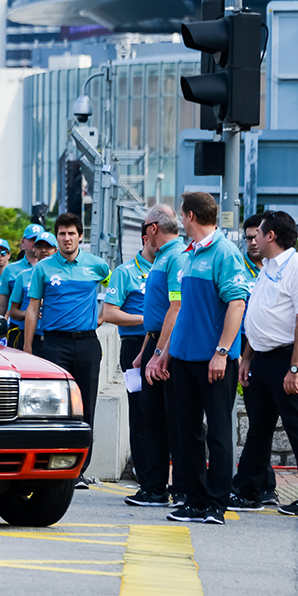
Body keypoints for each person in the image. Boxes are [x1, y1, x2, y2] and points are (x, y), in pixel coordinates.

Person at [145, 193, 249, 524]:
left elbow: (237, 304)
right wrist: (163, 354)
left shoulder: (225, 253)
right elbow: (181, 311)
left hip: (213, 361)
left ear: (190, 216)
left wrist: (221, 352)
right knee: (185, 431)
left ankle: (216, 503)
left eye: (181, 214)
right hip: (184, 359)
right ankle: (192, 497)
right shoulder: (187, 255)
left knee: (218, 432)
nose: (179, 220)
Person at [234, 210, 298, 517]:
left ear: (271, 236)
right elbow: (258, 315)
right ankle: (249, 491)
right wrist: (247, 356)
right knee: (258, 428)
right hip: (261, 357)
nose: (253, 238)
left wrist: (296, 368)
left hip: (288, 358)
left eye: (257, 233)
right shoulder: (268, 267)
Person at [23, 212, 110, 488]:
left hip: (87, 344)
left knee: (86, 407)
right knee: (52, 407)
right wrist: (27, 348)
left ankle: (79, 469)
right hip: (54, 344)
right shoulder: (44, 268)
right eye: (62, 233)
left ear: (80, 236)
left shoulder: (97, 266)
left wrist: (103, 314)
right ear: (57, 237)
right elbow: (33, 309)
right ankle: (50, 466)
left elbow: (114, 290)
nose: (67, 238)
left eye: (72, 233)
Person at [126, 204, 185, 508]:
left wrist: (159, 353)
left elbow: (176, 308)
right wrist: (143, 353)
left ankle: (164, 487)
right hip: (152, 343)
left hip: (166, 347)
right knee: (153, 418)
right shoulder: (165, 257)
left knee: (163, 420)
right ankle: (155, 485)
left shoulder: (175, 257)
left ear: (151, 229)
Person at [102, 219, 158, 504]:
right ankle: (145, 477)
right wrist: (147, 321)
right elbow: (109, 313)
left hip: (164, 346)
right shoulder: (125, 272)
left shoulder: (169, 268)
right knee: (140, 413)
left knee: (164, 416)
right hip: (135, 347)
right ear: (147, 237)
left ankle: (162, 478)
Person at [237, 213, 278, 506]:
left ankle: (265, 484)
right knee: (252, 420)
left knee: (261, 421)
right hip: (238, 348)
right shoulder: (237, 268)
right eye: (248, 237)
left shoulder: (278, 270)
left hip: (266, 350)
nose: (252, 242)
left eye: (256, 236)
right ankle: (250, 482)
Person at [0, 223, 45, 346]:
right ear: (23, 242)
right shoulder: (11, 270)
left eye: (39, 240)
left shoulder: (53, 269)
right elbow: (2, 304)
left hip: (48, 333)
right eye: (32, 239)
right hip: (19, 330)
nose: (36, 243)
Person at [7, 232, 57, 347]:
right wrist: (28, 313)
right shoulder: (23, 276)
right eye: (39, 247)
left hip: (55, 338)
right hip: (29, 337)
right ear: (35, 250)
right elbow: (12, 312)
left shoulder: (64, 277)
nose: (43, 250)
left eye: (48, 246)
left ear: (56, 250)